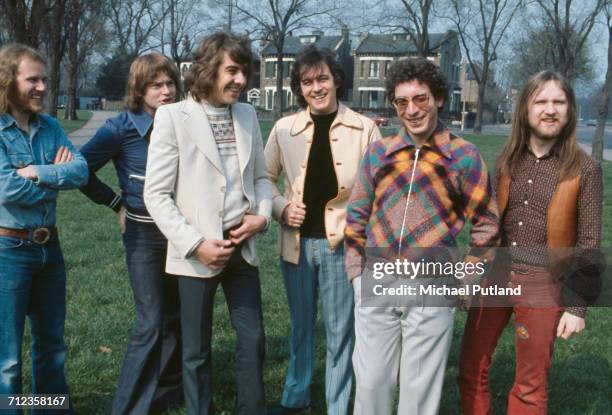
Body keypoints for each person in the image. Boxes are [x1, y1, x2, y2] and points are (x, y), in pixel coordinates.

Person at [344, 58, 499, 415]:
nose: (411, 110)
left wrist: (466, 277)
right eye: (402, 102)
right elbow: (356, 215)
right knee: (370, 386)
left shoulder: (463, 156)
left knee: (418, 396)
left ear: (439, 98)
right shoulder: (379, 153)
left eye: (421, 99)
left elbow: (488, 226)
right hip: (376, 282)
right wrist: (356, 273)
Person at [458, 70, 603, 415]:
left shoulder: (585, 168)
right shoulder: (507, 160)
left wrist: (576, 306)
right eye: (541, 101)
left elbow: (589, 242)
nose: (549, 110)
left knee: (530, 384)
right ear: (526, 108)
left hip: (543, 282)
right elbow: (488, 227)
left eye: (559, 102)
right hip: (495, 275)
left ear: (569, 110)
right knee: (470, 368)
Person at [143, 32, 272, 415]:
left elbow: (263, 178)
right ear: (208, 69)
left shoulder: (248, 114)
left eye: (245, 71)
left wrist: (262, 217)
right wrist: (196, 243)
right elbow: (156, 195)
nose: (241, 80)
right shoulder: (172, 116)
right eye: (232, 70)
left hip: (241, 247)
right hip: (198, 250)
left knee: (253, 340)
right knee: (196, 349)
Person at [264, 46, 380, 415]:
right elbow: (263, 179)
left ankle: (336, 404)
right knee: (300, 329)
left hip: (340, 248)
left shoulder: (365, 129)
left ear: (336, 80)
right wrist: (282, 208)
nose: (316, 87)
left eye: (322, 78)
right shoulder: (284, 128)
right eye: (307, 81)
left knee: (339, 334)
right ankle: (295, 397)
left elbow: (381, 190)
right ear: (300, 88)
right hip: (295, 246)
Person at [79, 53, 183, 414]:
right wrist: (115, 203)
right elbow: (81, 171)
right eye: (157, 85)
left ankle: (167, 392)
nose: (166, 91)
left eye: (170, 83)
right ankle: (127, 407)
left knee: (175, 317)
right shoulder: (120, 127)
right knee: (150, 321)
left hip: (183, 234)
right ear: (140, 89)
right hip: (143, 235)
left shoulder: (185, 121)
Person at [0, 43, 88, 412]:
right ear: (7, 81)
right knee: (7, 360)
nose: (41, 87)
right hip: (8, 253)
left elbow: (80, 171)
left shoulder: (50, 126)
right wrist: (56, 176)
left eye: (44, 79)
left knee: (52, 347)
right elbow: (6, 188)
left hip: (49, 250)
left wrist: (36, 172)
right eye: (32, 79)